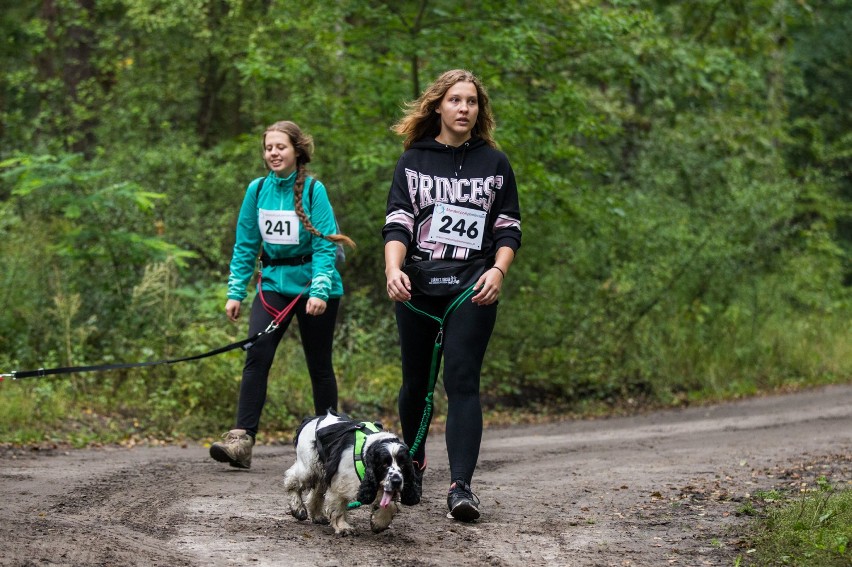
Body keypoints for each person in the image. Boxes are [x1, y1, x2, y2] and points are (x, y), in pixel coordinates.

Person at [382, 69, 522, 521]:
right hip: (419, 286)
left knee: (462, 380)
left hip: (473, 287)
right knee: (416, 383)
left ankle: (461, 487)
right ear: (438, 106)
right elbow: (398, 221)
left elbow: (508, 227)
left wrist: (498, 271)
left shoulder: (494, 163)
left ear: (480, 110)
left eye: (472, 102)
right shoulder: (413, 161)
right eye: (456, 100)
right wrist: (393, 268)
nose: (464, 108)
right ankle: (413, 462)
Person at [210, 120, 355, 470]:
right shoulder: (257, 190)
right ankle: (241, 439)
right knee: (256, 355)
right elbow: (245, 244)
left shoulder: (313, 191)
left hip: (313, 287)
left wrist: (320, 289)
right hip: (273, 284)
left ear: (296, 150)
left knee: (318, 364)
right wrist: (236, 292)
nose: (274, 153)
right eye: (269, 147)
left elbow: (325, 244)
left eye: (281, 147)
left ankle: (329, 440)